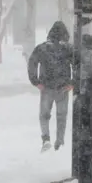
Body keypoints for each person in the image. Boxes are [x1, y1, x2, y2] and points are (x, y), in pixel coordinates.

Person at [27, 21, 74, 152]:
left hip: (46, 86)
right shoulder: (68, 49)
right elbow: (78, 64)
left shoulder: (42, 48)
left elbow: (32, 63)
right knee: (61, 115)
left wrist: (36, 81)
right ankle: (60, 139)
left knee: (44, 115)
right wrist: (72, 82)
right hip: (63, 86)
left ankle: (46, 138)